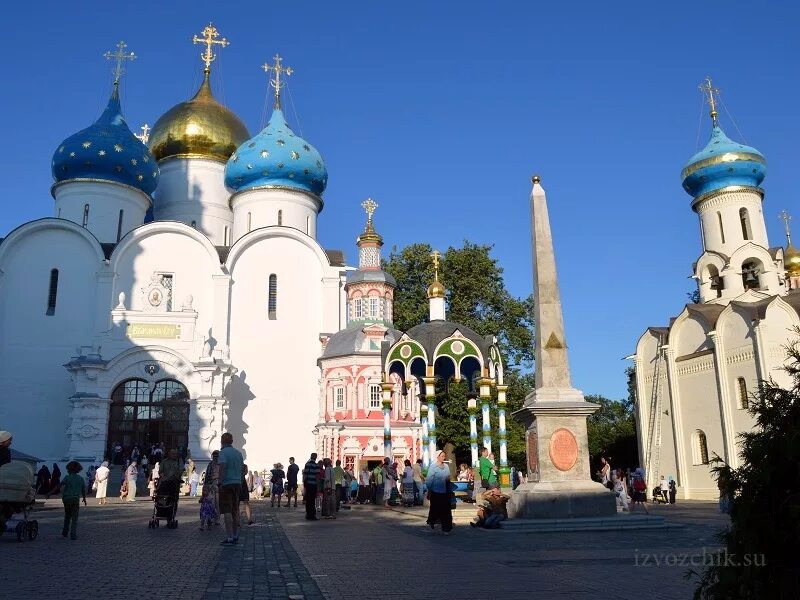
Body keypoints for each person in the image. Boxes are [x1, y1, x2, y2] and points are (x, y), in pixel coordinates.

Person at [217, 432, 244, 545]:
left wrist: (220, 481)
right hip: (237, 483)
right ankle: (235, 534)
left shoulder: (222, 453)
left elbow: (222, 467)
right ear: (232, 441)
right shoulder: (238, 453)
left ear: (222, 441)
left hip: (226, 484)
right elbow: (242, 469)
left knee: (227, 510)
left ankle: (229, 537)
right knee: (235, 510)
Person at [425, 450, 454, 535]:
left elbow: (448, 477)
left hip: (445, 492)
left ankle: (446, 528)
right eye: (442, 456)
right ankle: (432, 521)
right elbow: (429, 479)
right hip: (435, 492)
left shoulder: (446, 466)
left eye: (444, 456)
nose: (443, 457)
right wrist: (429, 489)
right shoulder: (433, 467)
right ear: (437, 457)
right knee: (435, 509)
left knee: (446, 510)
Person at [60, 460, 87, 540]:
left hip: (66, 498)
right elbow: (83, 490)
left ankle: (65, 532)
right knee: (75, 518)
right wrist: (84, 499)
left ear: (69, 469)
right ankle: (73, 533)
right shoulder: (81, 479)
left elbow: (60, 485)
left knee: (67, 516)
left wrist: (50, 493)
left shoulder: (67, 477)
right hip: (75, 499)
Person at [203, 450, 220, 522]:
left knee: (217, 503)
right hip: (211, 485)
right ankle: (211, 517)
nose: (215, 457)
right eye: (214, 456)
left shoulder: (221, 464)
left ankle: (216, 519)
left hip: (219, 486)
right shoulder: (210, 464)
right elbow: (207, 476)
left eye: (216, 456)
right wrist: (206, 486)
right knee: (211, 502)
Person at [302, 453, 320, 520]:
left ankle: (308, 514)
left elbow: (305, 474)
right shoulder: (316, 465)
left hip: (308, 484)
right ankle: (312, 515)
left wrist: (304, 484)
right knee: (312, 500)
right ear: (315, 458)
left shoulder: (307, 464)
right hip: (313, 485)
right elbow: (317, 477)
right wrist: (318, 486)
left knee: (308, 500)